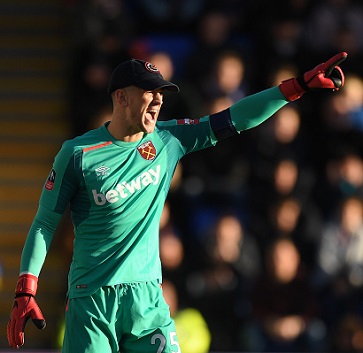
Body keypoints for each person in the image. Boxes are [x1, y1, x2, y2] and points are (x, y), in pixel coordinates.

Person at [7, 53, 347, 352]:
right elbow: (44, 223)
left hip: (146, 298)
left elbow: (235, 118)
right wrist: (26, 290)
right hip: (92, 301)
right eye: (148, 92)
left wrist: (294, 88)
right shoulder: (78, 154)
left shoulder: (168, 140)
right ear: (121, 97)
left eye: (160, 93)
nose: (157, 100)